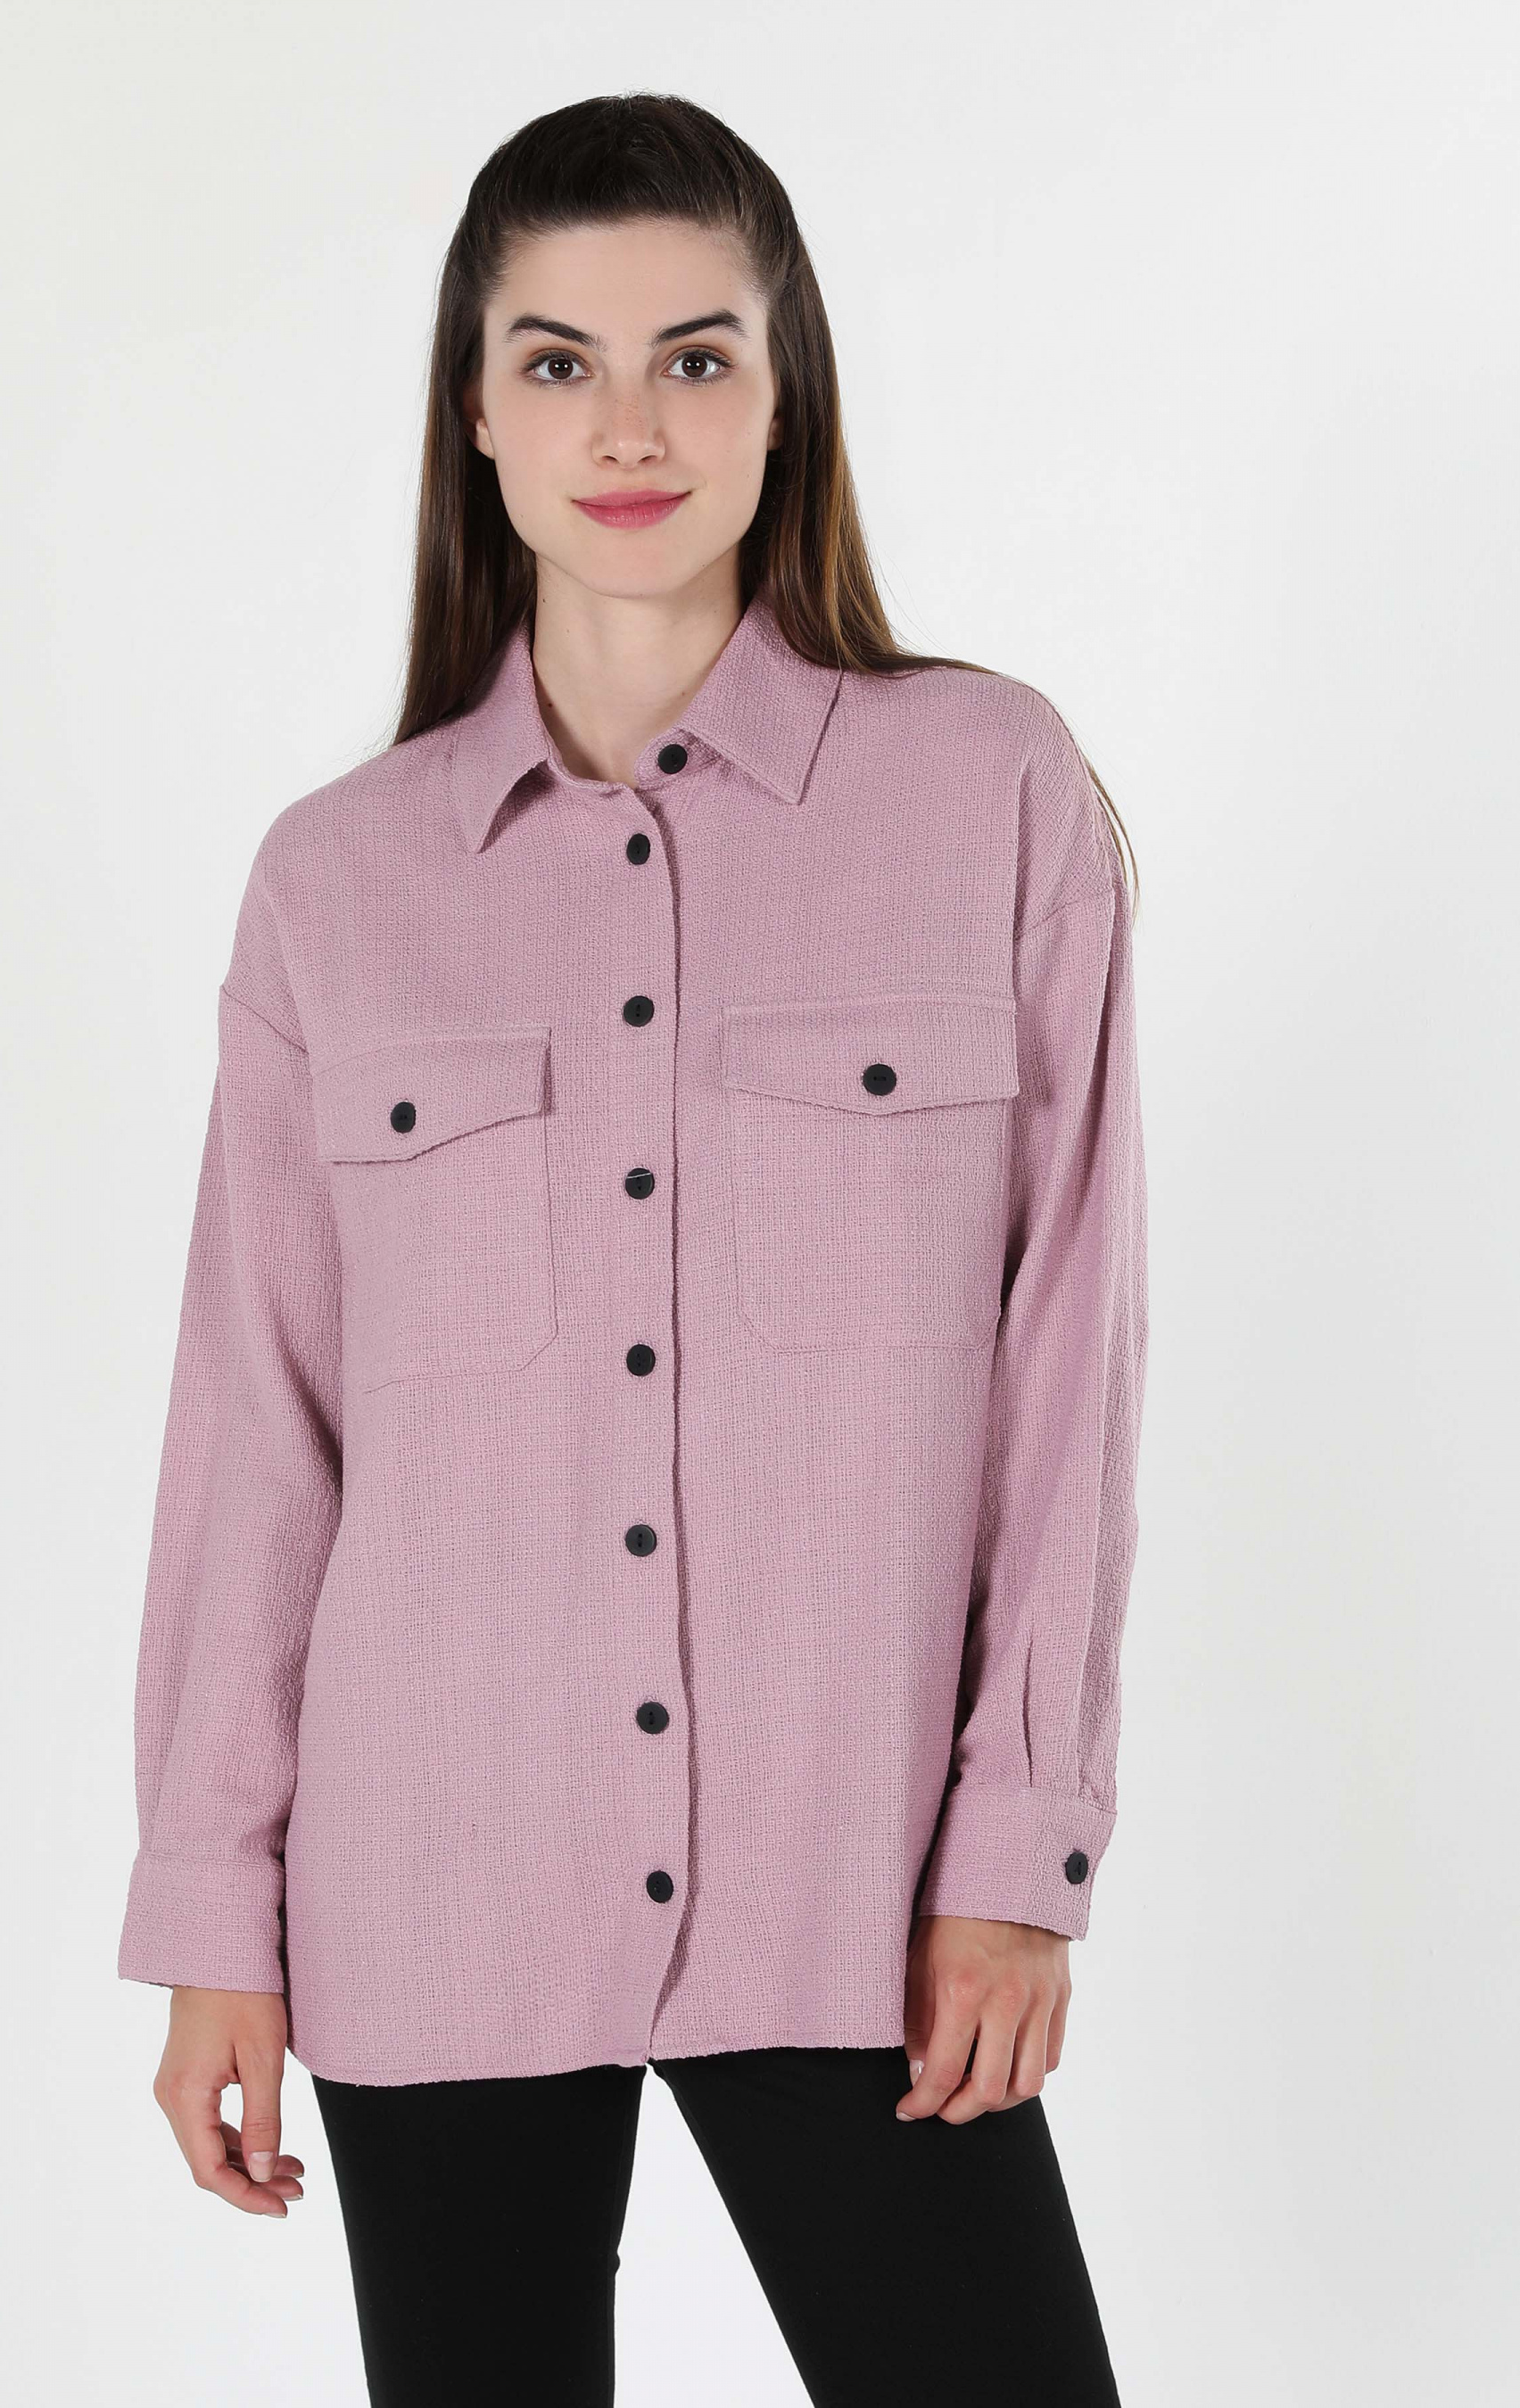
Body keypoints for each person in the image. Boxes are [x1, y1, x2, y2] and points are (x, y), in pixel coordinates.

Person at [117, 90, 1149, 2407]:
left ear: (784, 398)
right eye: (558, 361)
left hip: (859, 1877)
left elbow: (1072, 1350)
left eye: (696, 356)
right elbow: (258, 1425)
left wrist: (1017, 1845)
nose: (629, 426)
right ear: (475, 413)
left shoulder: (990, 792)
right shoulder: (333, 885)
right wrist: (212, 1913)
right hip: (431, 1875)